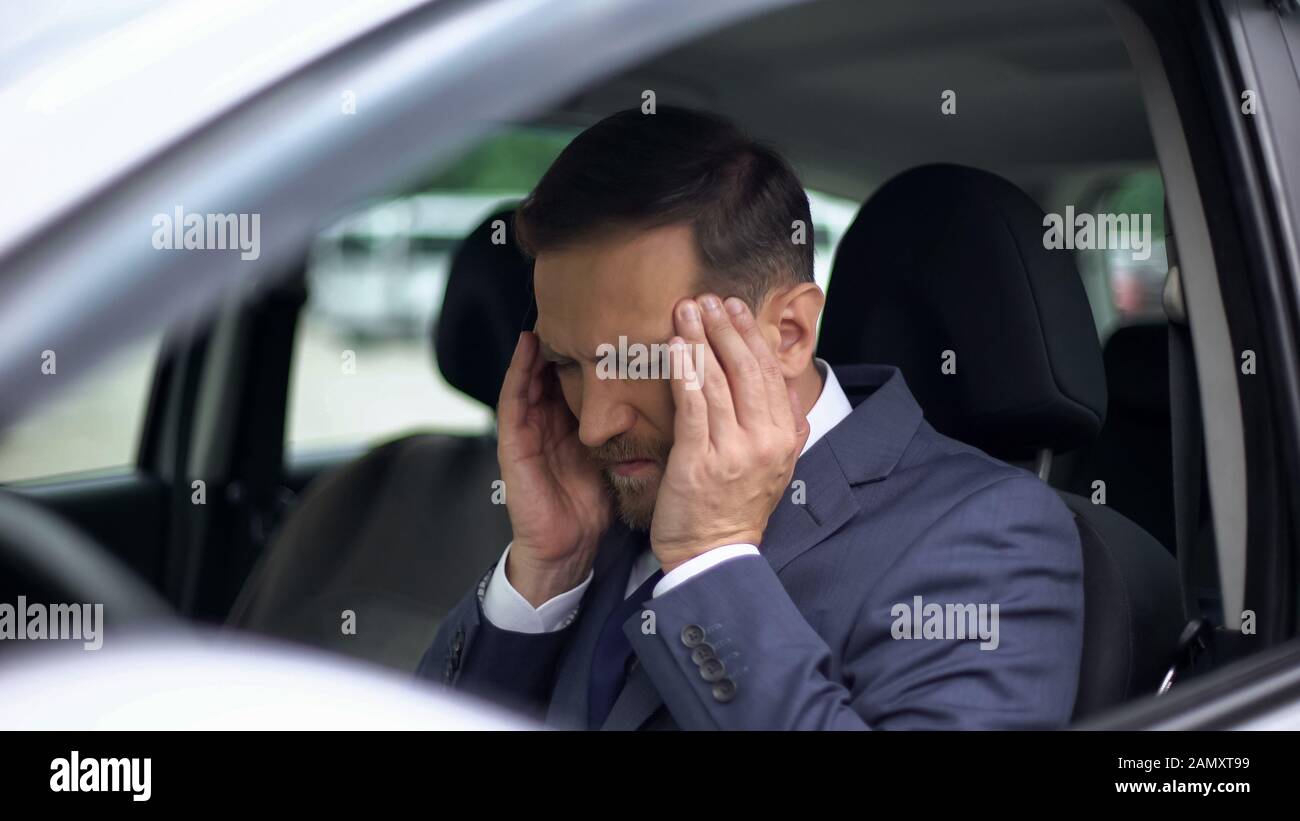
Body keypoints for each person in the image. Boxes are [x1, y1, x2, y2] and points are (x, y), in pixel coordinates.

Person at [416, 106, 1083, 730]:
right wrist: (544, 575)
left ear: (788, 332)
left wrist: (712, 563)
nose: (594, 424)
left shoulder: (991, 538)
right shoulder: (595, 517)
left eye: (642, 360)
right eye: (567, 364)